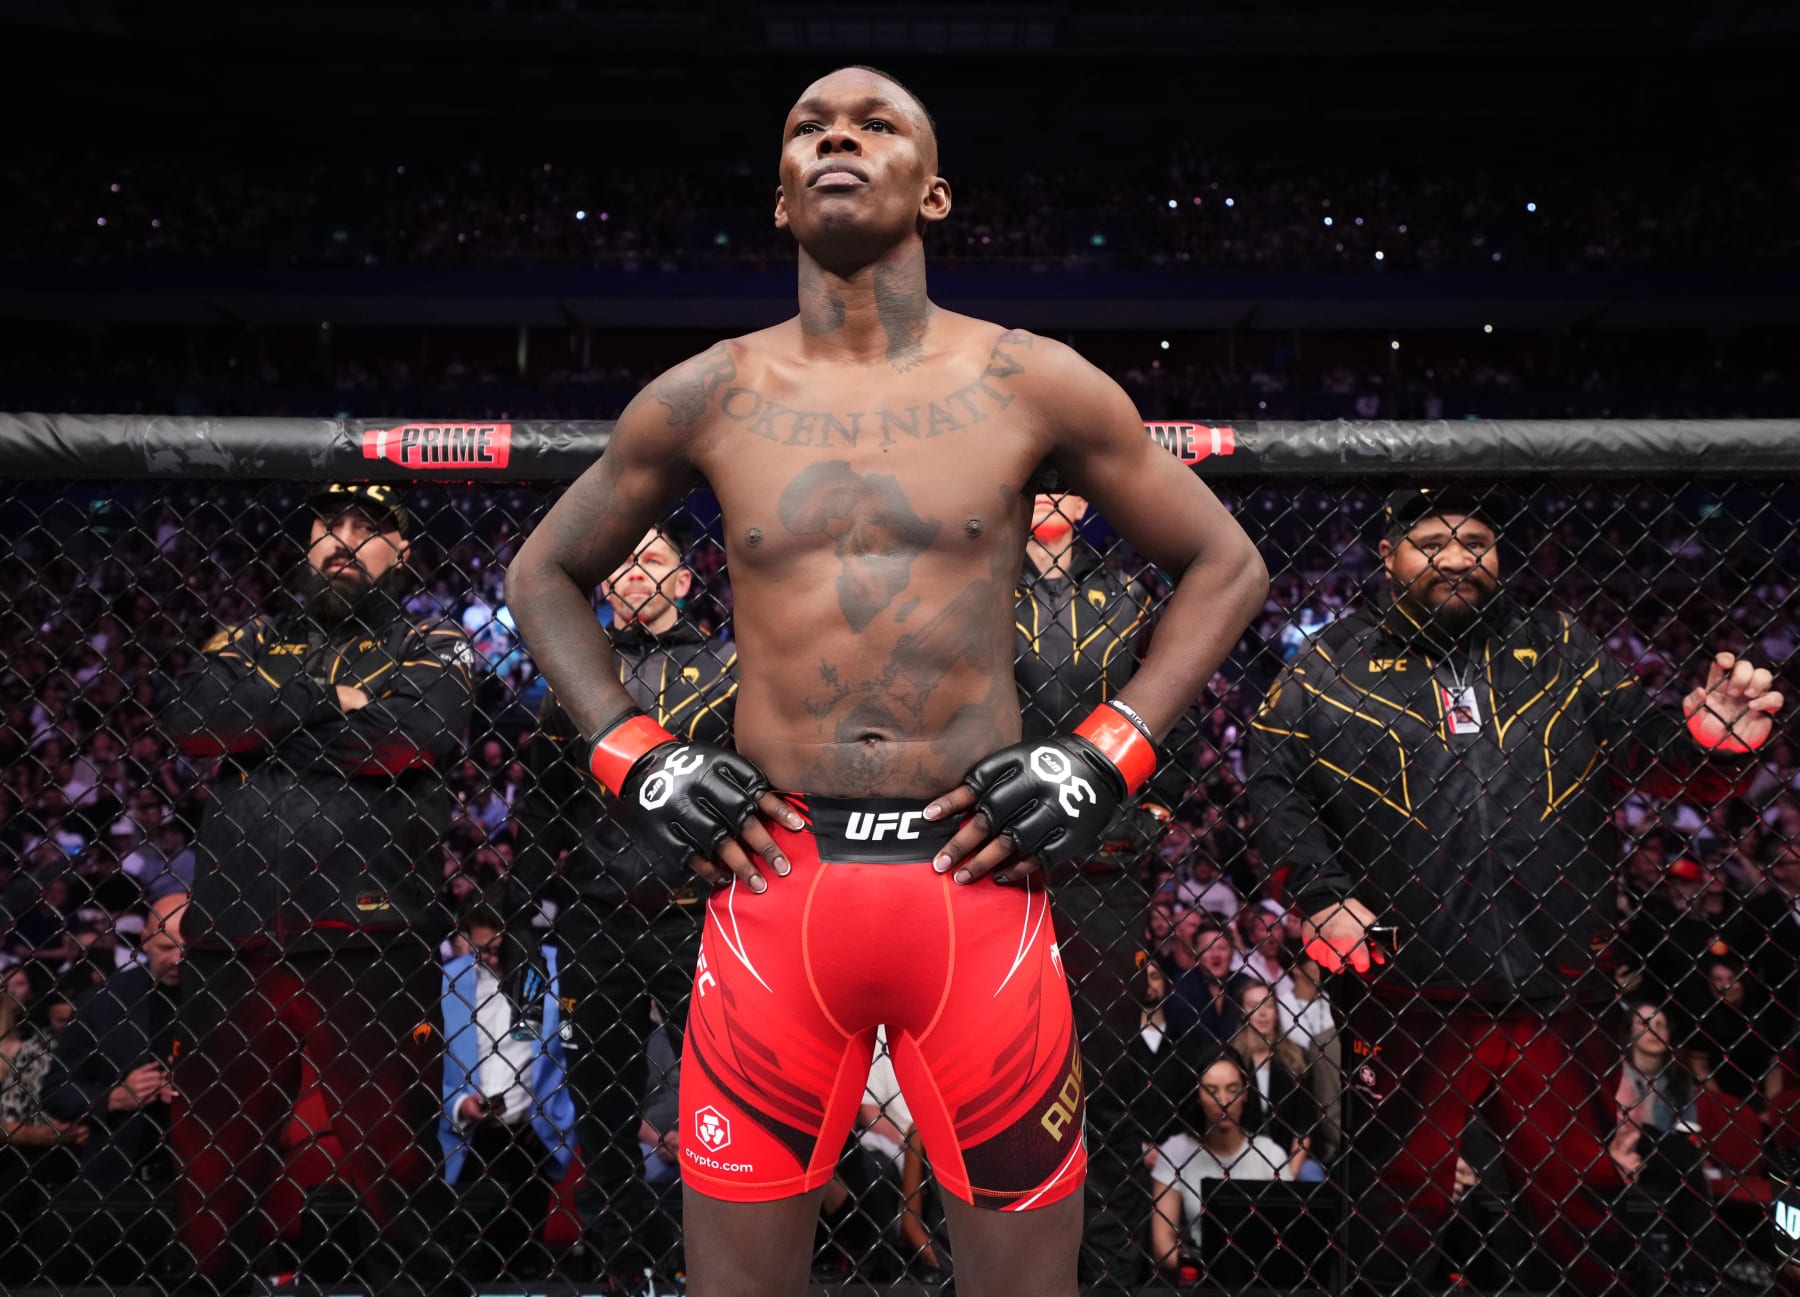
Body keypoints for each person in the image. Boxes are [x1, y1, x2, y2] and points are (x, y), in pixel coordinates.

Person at [504, 64, 1267, 1297]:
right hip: (775, 882)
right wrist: (631, 750)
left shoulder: (1032, 378)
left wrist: (1103, 752)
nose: (839, 137)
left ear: (936, 191)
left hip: (975, 881)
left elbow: (1226, 564)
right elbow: (543, 574)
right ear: (779, 196)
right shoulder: (709, 390)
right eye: (810, 126)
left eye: (875, 124)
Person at [1247, 485, 1785, 1290]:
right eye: (1433, 541)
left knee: (1582, 1204)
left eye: (1476, 540)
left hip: (1558, 976)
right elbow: (1271, 781)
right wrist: (1321, 890)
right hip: (1405, 981)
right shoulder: (1328, 666)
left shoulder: (1560, 644)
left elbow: (1646, 747)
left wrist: (1708, 744)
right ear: (1389, 557)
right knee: (1393, 1202)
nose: (1459, 556)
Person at [162, 481, 475, 1296]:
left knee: (396, 1165)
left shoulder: (432, 639)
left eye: (366, 529)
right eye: (327, 525)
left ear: (401, 552)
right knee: (211, 1172)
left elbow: (417, 734)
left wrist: (267, 731)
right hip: (235, 932)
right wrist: (326, 700)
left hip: (370, 930)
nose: (341, 539)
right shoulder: (248, 634)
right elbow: (193, 721)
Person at [510, 523, 736, 1282]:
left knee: (720, 1093)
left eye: (655, 559)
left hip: (695, 911)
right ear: (603, 586)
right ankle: (621, 1262)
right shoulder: (576, 673)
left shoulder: (728, 666)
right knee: (599, 1103)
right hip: (596, 913)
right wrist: (521, 912)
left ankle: (700, 1257)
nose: (635, 572)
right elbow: (541, 808)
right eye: (623, 563)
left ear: (682, 581)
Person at [1013, 488, 1189, 1291]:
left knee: (1105, 1082)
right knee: (994, 1076)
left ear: (1083, 496)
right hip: (1001, 859)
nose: (1049, 491)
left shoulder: (1129, 594)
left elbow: (1168, 707)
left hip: (1103, 864)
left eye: (1062, 477)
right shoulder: (976, 583)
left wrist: (1150, 808)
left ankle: (1112, 1269)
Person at [37, 890, 187, 1282]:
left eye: (189, 946)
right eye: (166, 947)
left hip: (205, 1171)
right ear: (144, 942)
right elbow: (55, 1089)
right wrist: (114, 1096)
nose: (178, 959)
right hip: (121, 1177)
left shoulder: (229, 998)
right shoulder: (105, 1001)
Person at [439, 904, 575, 1281]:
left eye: (502, 946)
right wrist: (458, 1106)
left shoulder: (560, 971)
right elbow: (428, 1064)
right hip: (465, 1134)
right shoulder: (447, 983)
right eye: (483, 949)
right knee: (462, 1258)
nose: (494, 958)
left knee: (521, 1262)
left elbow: (577, 1052)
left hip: (535, 1132)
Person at [1146, 1048, 1293, 1281]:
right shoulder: (1177, 1151)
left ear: (1245, 1093)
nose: (1223, 1101)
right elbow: (1162, 1243)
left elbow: (1290, 1231)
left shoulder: (1270, 1154)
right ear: (1197, 1093)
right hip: (1198, 1275)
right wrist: (1201, 1269)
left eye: (1232, 1090)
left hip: (1263, 1278)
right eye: (1211, 1091)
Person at [1226, 977, 1322, 1180]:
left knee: (1312, 1173)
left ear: (1277, 1012)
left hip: (1287, 1156)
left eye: (1268, 1005)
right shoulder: (1230, 1060)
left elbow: (1303, 1128)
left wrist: (1289, 1173)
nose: (1262, 1013)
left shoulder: (1297, 1059)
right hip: (1239, 1157)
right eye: (1254, 1006)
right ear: (1243, 1012)